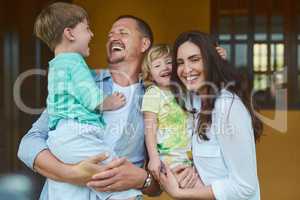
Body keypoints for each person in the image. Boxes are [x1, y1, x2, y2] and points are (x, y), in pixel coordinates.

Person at [33, 2, 142, 200]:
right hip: (75, 134)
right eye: (87, 29)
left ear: (144, 44)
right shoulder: (77, 66)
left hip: (61, 139)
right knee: (111, 166)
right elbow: (28, 144)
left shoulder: (154, 95)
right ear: (70, 34)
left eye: (123, 32)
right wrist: (109, 102)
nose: (94, 35)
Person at [159, 31, 263, 200]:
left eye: (194, 59)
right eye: (180, 62)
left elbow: (245, 187)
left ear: (210, 61)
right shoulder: (194, 102)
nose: (186, 69)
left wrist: (180, 193)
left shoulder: (227, 107)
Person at [141, 44, 200, 186]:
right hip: (171, 160)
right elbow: (150, 129)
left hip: (192, 158)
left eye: (169, 62)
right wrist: (153, 158)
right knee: (199, 190)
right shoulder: (153, 93)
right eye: (157, 65)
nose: (165, 67)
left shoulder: (184, 91)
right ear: (149, 74)